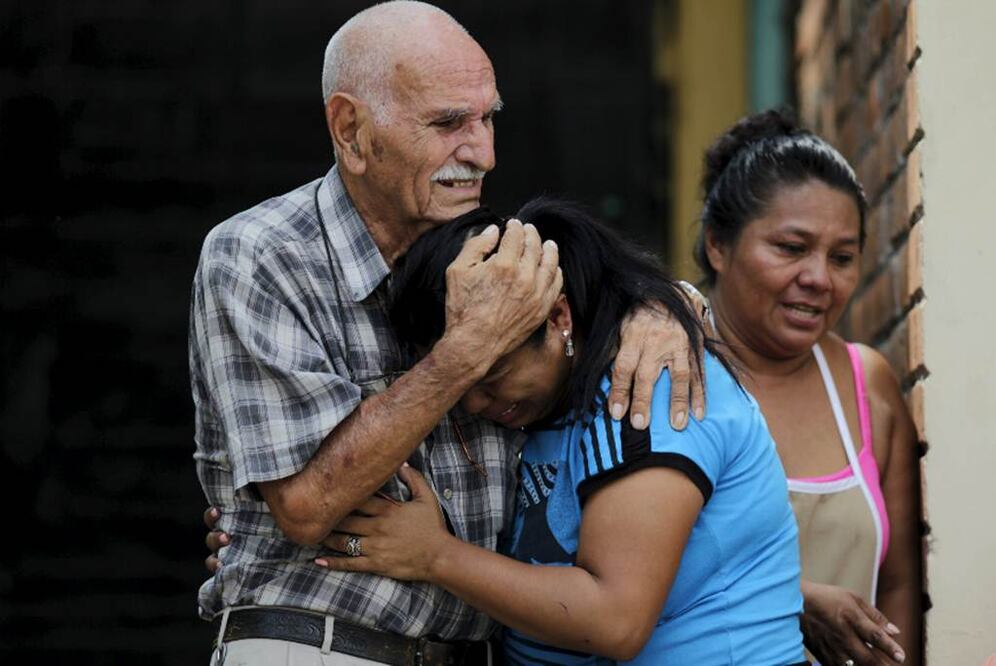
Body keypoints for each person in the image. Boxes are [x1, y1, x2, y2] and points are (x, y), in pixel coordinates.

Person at [190, 3, 700, 664]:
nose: (482, 152)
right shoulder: (262, 256)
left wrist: (667, 309)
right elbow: (308, 505)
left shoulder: (500, 253)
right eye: (448, 122)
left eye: (489, 117)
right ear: (350, 129)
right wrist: (468, 351)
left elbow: (617, 320)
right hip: (323, 646)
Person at [316, 199, 807, 665]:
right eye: (457, 381)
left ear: (557, 317)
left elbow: (617, 620)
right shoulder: (551, 400)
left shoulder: (648, 383)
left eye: (491, 376)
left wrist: (436, 555)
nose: (472, 404)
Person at [694, 111, 922, 665]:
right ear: (718, 246)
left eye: (842, 258)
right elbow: (618, 572)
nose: (819, 278)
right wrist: (791, 602)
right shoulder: (668, 368)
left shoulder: (867, 385)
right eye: (792, 248)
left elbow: (900, 585)